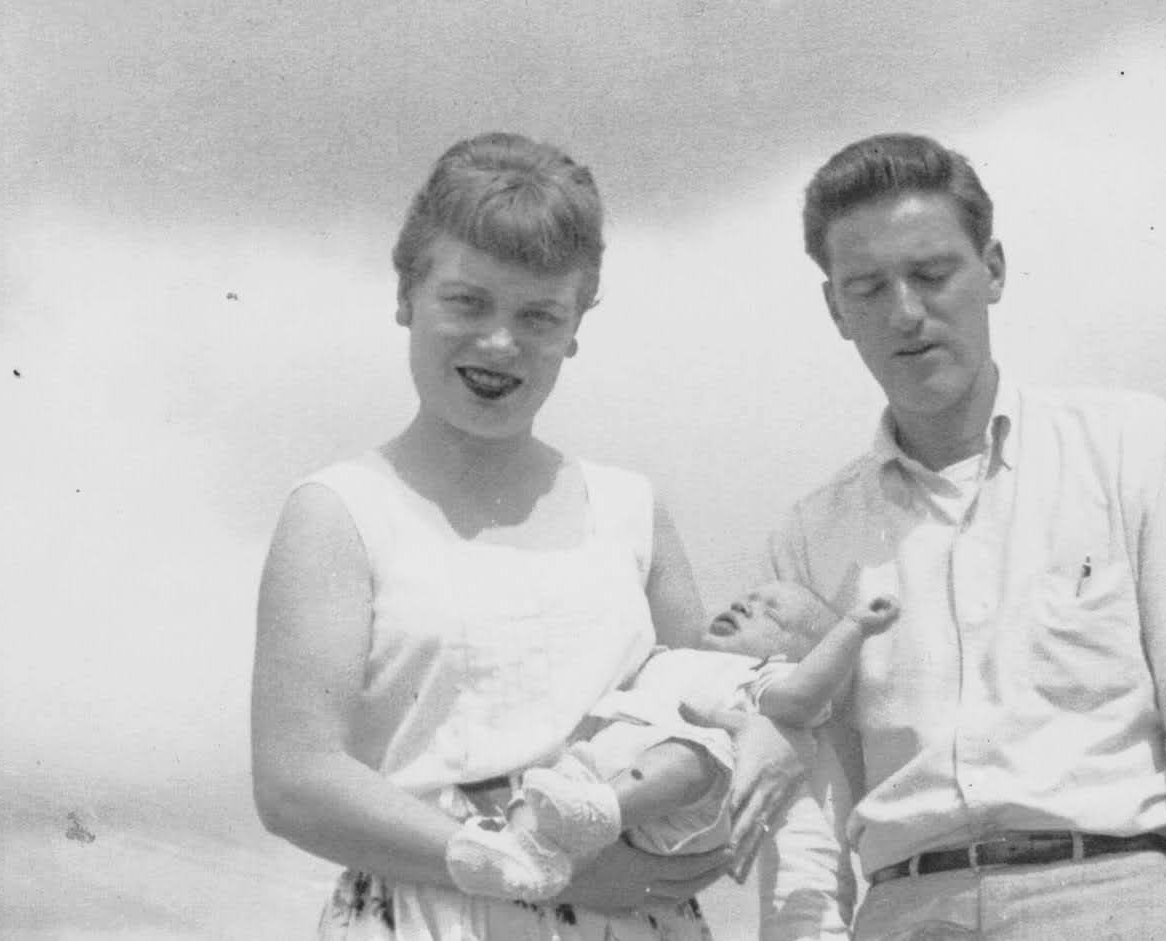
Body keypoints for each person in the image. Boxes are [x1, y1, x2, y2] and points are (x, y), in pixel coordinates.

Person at [250, 132, 786, 940]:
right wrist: (505, 858)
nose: (500, 342)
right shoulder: (339, 511)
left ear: (576, 326)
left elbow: (711, 730)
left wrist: (655, 858)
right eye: (467, 301)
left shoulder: (632, 510)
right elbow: (295, 780)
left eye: (539, 314)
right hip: (424, 910)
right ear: (406, 294)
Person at [765, 133, 1166, 940]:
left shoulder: (1133, 447)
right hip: (904, 908)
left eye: (932, 274)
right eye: (867, 287)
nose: (905, 312)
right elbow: (808, 792)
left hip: (1110, 894)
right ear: (835, 307)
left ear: (994, 269)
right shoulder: (811, 534)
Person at [440, 582, 898, 901]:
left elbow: (802, 698)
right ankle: (520, 848)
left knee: (697, 752)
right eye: (746, 598)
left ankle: (600, 812)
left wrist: (853, 629)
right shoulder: (667, 660)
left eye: (771, 612)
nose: (746, 605)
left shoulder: (757, 677)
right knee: (547, 775)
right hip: (598, 778)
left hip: (675, 806)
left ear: (793, 656)